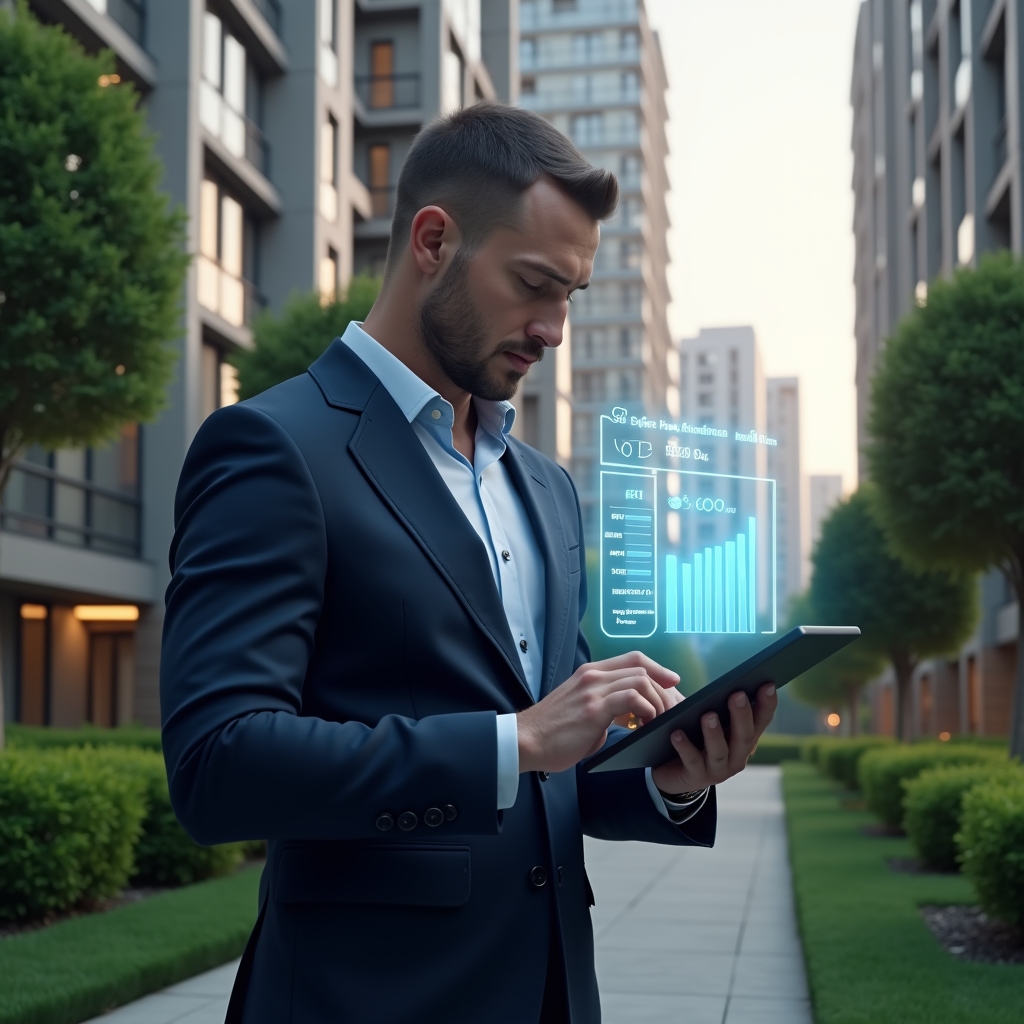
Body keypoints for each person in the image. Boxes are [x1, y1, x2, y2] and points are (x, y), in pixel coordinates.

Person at [160, 102, 777, 1024]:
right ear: (435, 240)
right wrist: (512, 738)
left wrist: (664, 776)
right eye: (535, 284)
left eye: (571, 295)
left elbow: (555, 762)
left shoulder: (546, 488)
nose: (555, 328)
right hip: (361, 1000)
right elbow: (220, 763)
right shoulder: (270, 447)